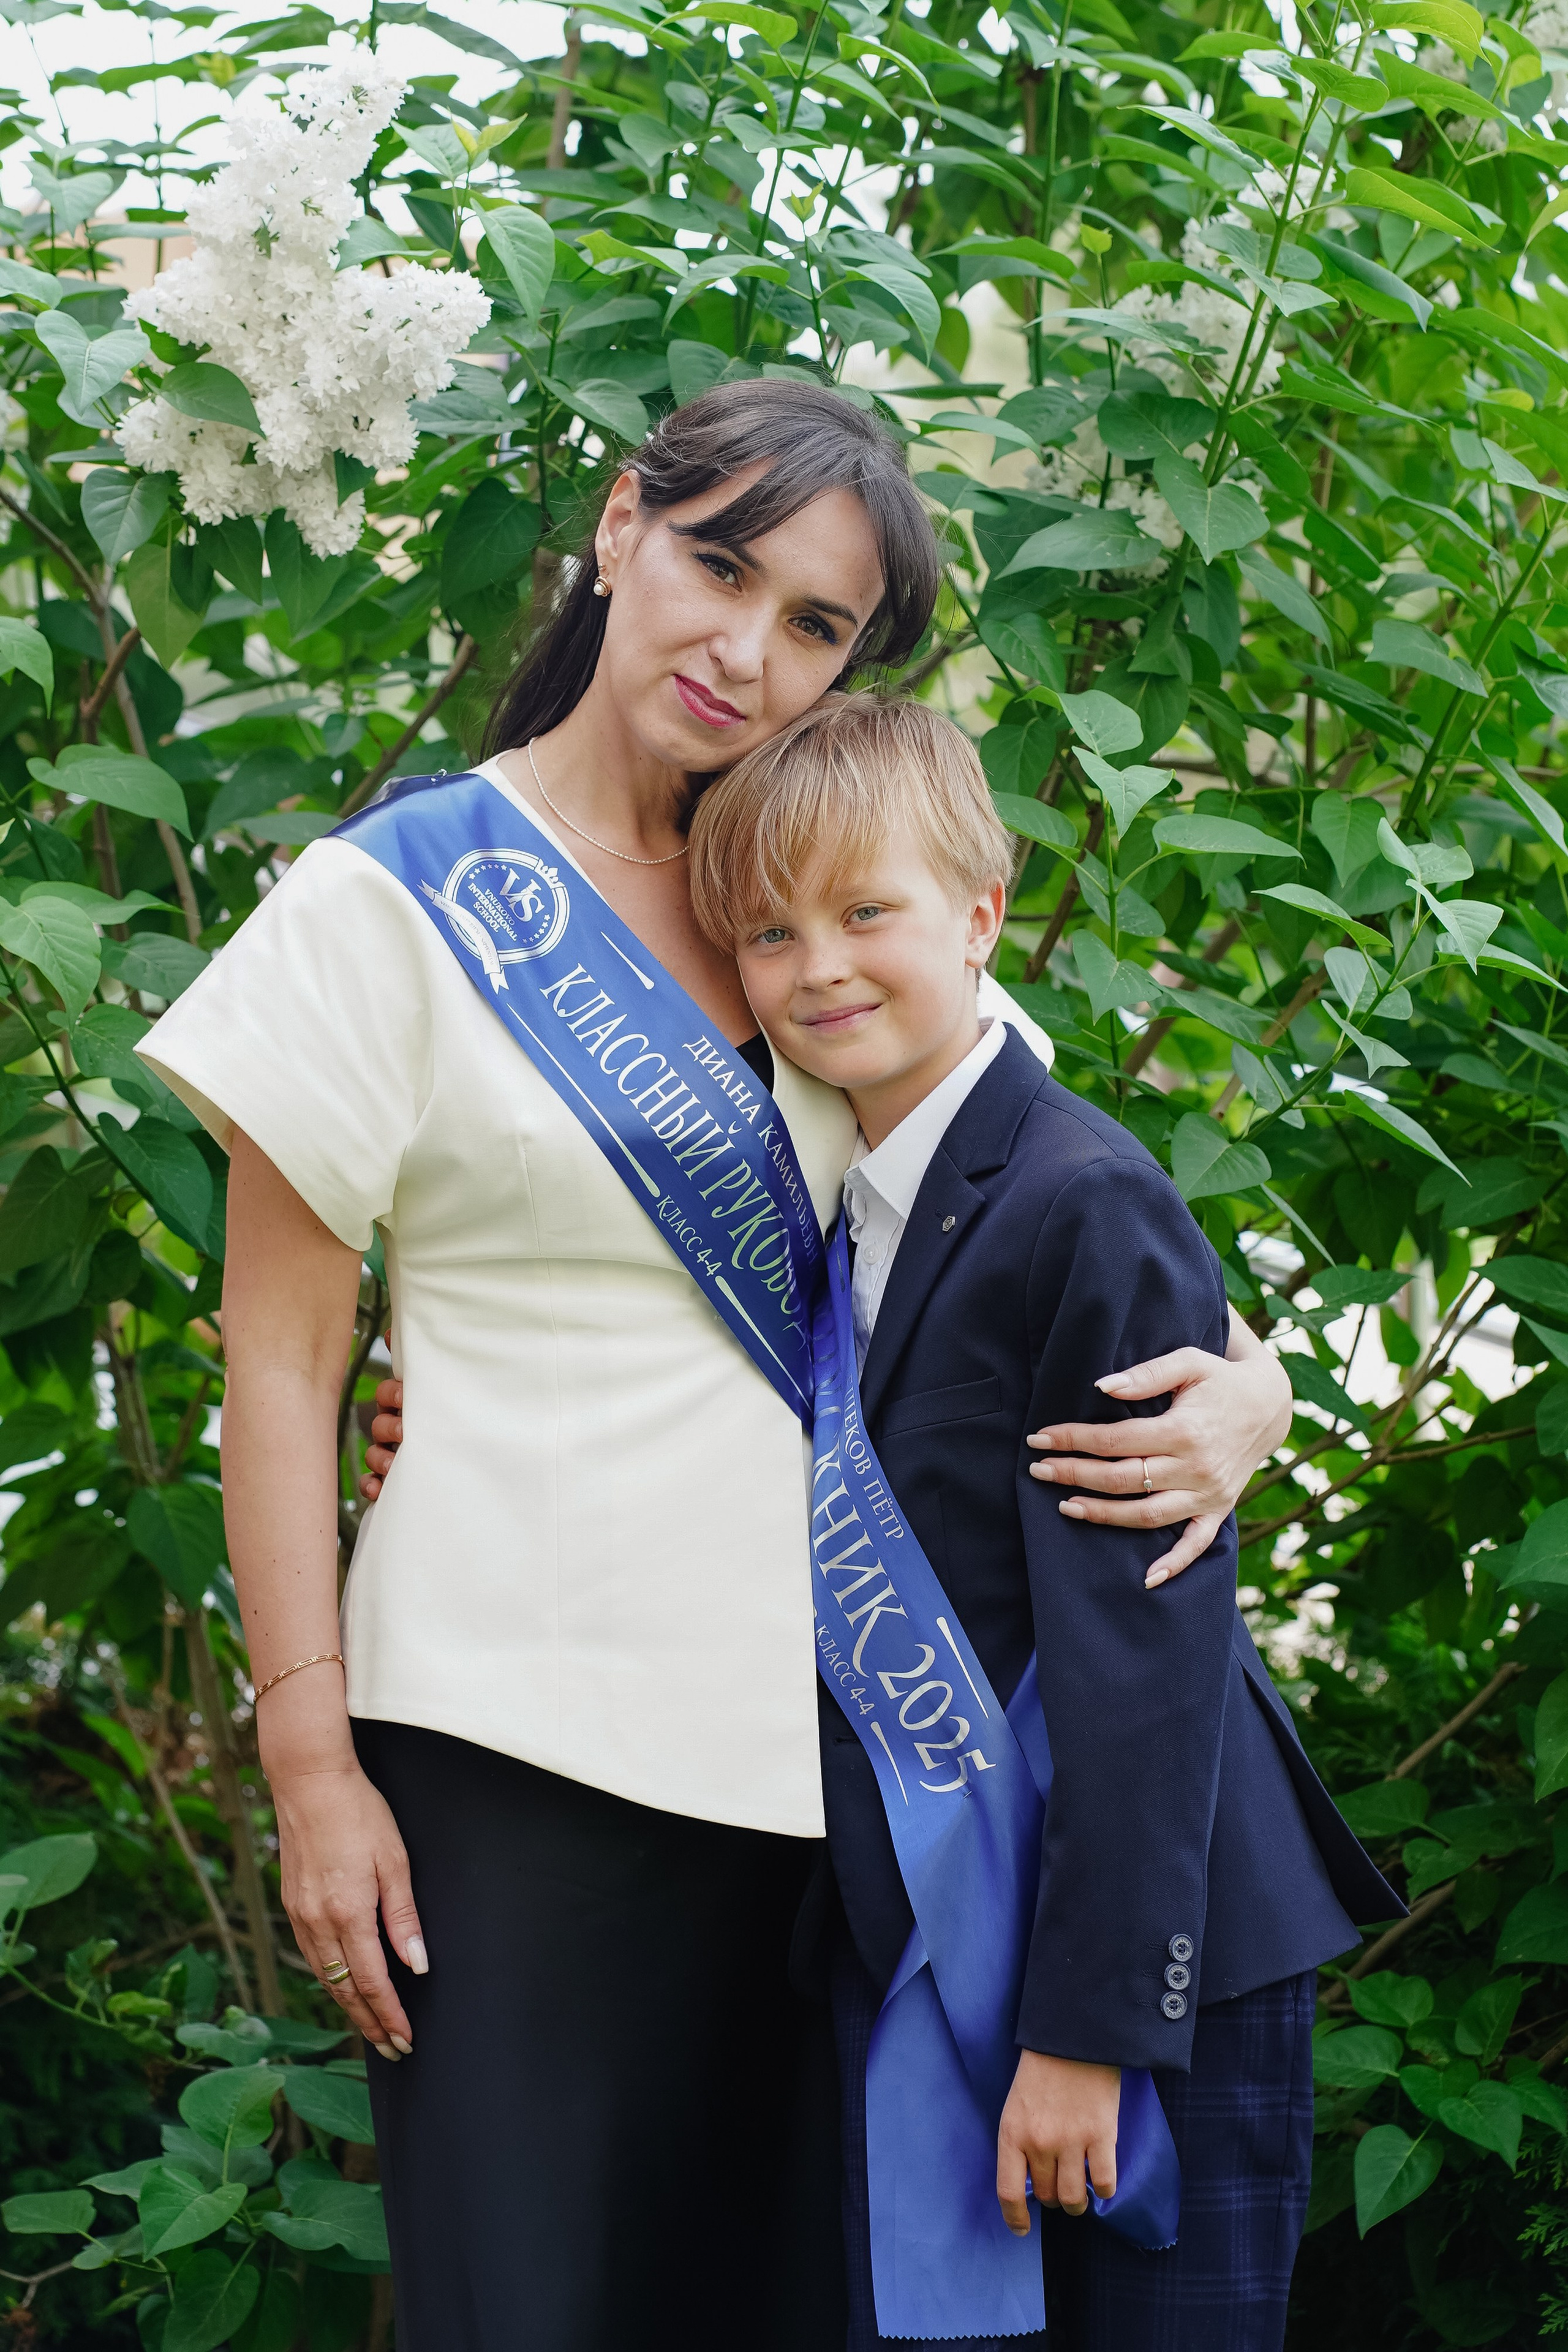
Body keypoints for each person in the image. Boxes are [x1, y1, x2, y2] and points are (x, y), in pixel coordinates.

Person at [135, 379, 1294, 2352]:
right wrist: (307, 1752)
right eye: (720, 564)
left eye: (821, 625)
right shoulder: (394, 903)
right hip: (516, 1762)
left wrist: (1251, 1385)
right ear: (617, 529)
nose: (746, 649)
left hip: (845, 1806)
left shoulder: (815, 900)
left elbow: (1046, 1207)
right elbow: (282, 1362)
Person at [681, 693, 1400, 2352]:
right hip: (956, 1927)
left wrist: (1092, 2035)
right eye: (773, 934)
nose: (820, 969)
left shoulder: (1082, 1199)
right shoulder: (837, 1209)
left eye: (869, 913)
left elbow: (1147, 1650)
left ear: (983, 913)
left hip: (1153, 1956)